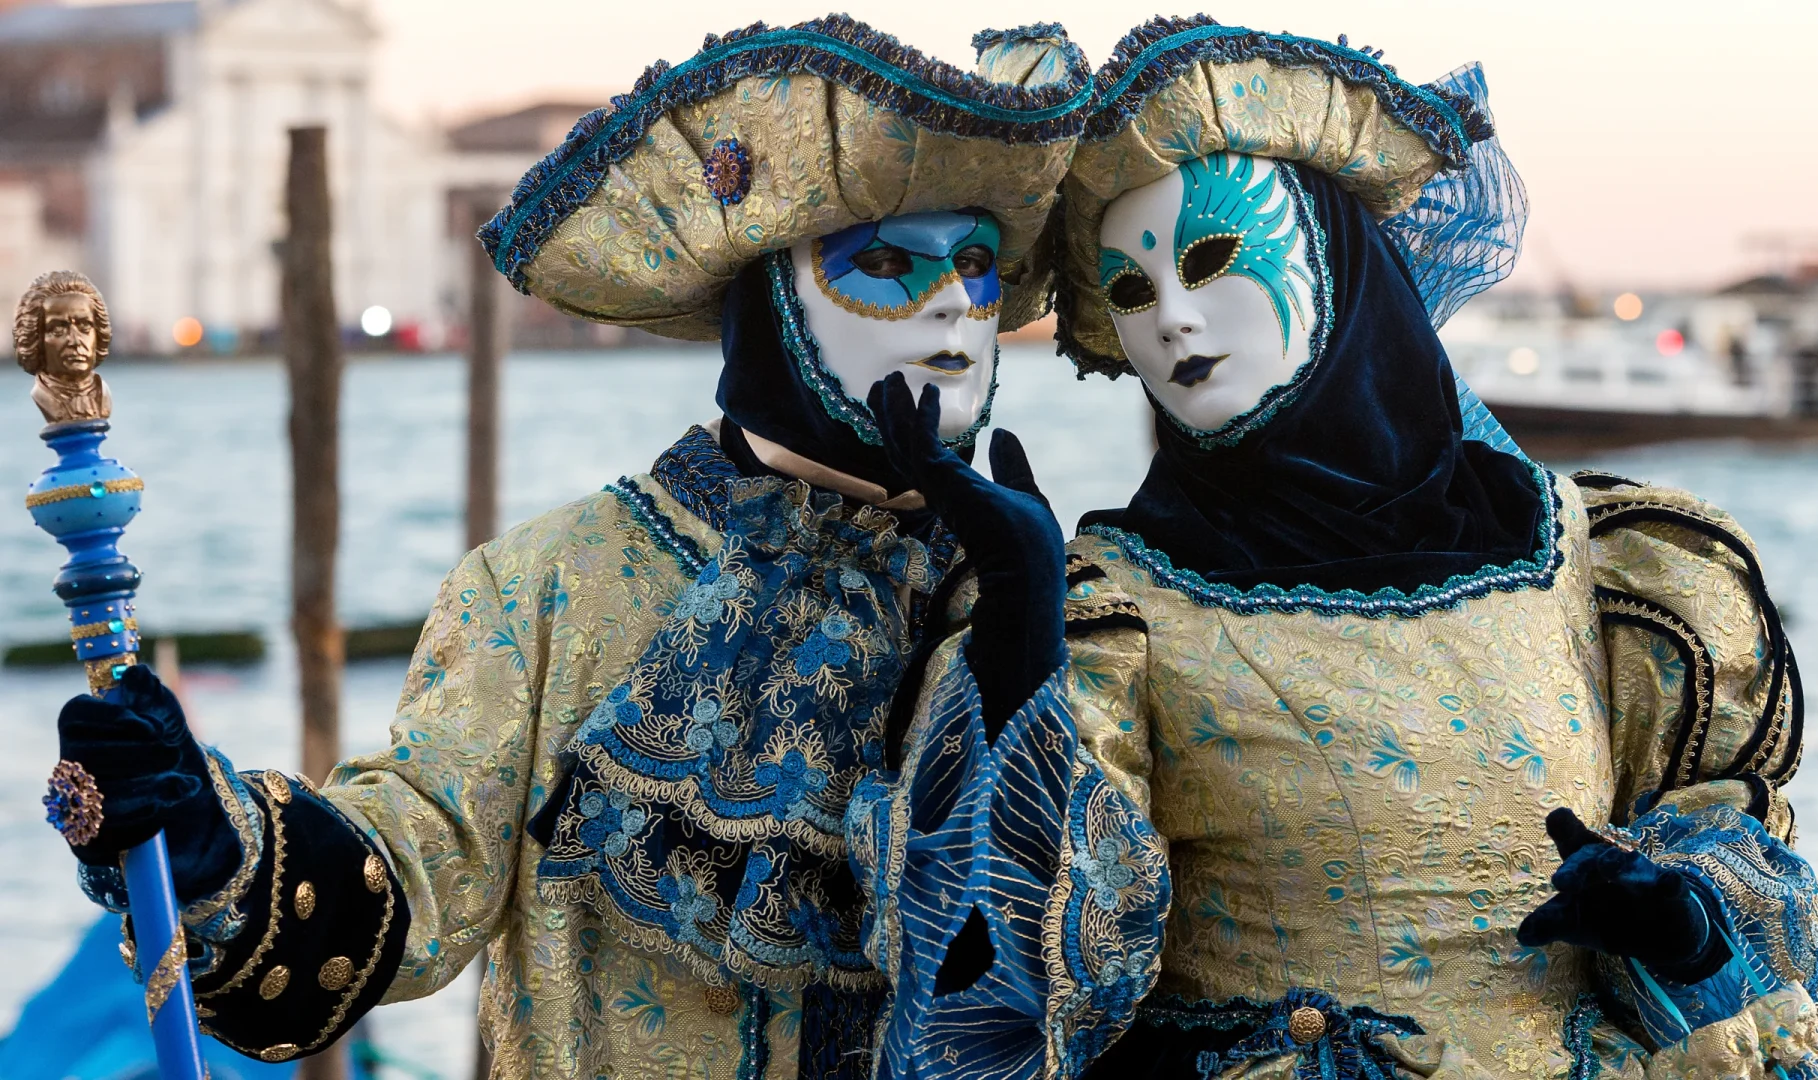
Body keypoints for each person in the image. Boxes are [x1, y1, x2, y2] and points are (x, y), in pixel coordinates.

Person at [41, 17, 1091, 1078]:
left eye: (977, 265)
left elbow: (1079, 992)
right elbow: (412, 877)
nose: (956, 305)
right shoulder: (550, 589)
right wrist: (213, 843)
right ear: (770, 300)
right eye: (887, 264)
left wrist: (1019, 653)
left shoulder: (1033, 601)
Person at [852, 17, 1818, 1080]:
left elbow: (1764, 920)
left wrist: (1686, 926)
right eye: (1133, 291)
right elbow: (995, 1016)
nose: (1175, 320)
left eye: (1211, 259)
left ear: (1340, 258)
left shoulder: (1608, 568)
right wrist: (1019, 638)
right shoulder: (1116, 613)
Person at [13, 269, 114, 424]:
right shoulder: (43, 397)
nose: (75, 340)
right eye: (58, 329)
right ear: (36, 340)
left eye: (84, 326)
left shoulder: (104, 396)